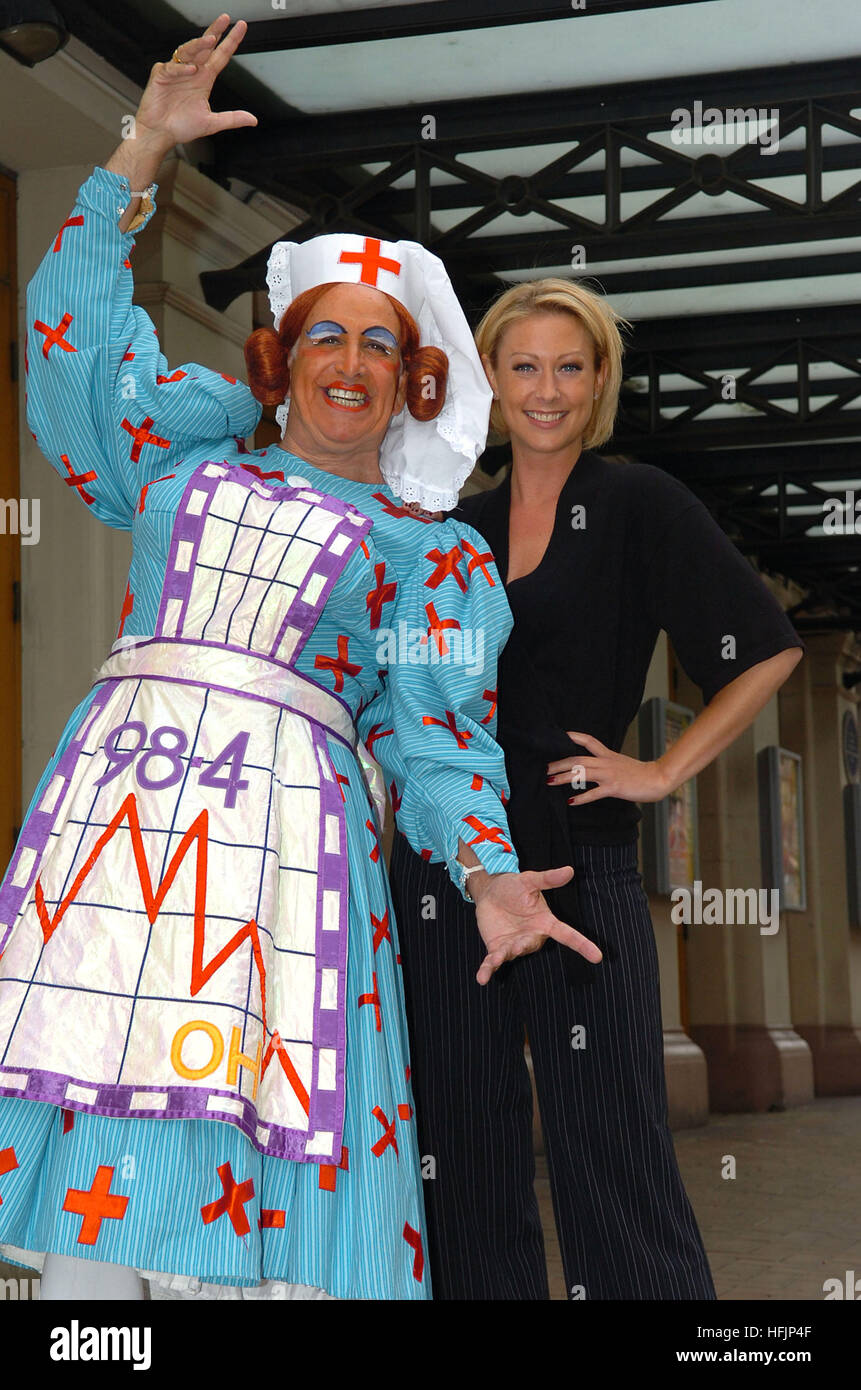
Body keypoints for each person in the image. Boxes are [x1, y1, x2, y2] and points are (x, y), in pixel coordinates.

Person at [0, 18, 600, 1302]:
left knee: (249, 1100)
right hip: (118, 828)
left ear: (413, 384)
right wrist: (142, 145)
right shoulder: (184, 454)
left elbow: (438, 735)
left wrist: (492, 874)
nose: (350, 363)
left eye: (381, 345)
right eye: (328, 336)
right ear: (282, 358)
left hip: (290, 855)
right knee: (91, 1072)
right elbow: (72, 354)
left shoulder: (425, 555)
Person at [390, 277, 804, 1300]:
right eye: (522, 365)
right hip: (452, 868)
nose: (545, 388)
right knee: (462, 1141)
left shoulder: (636, 503)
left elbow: (766, 649)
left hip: (581, 855)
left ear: (600, 380)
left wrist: (658, 770)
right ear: (489, 375)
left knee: (612, 1146)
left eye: (569, 366)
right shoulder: (452, 521)